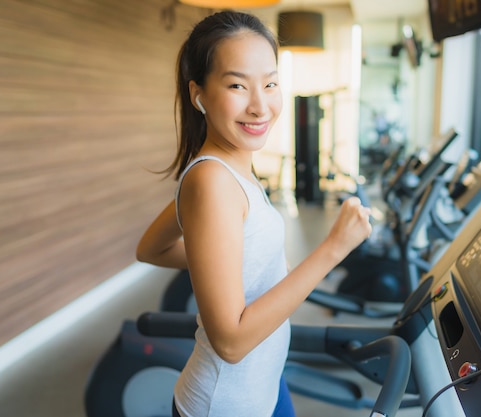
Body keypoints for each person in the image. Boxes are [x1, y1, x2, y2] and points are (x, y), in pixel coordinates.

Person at [136, 10, 372, 417]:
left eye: (270, 83)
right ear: (199, 95)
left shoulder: (235, 167)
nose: (260, 105)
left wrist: (222, 265)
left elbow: (151, 249)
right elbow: (229, 343)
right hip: (227, 404)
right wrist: (333, 249)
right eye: (237, 85)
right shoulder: (211, 181)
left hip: (265, 383)